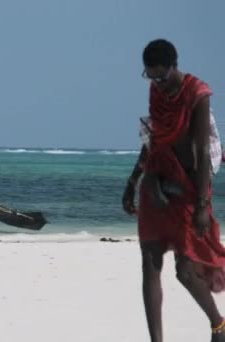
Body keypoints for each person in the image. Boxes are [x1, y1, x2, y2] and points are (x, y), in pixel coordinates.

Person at [122, 39, 225, 342]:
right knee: (150, 264)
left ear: (174, 66)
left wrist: (204, 203)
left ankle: (218, 324)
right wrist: (132, 182)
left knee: (185, 270)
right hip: (157, 177)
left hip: (190, 185)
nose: (157, 83)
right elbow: (153, 140)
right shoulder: (156, 92)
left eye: (161, 76)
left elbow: (203, 151)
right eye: (150, 77)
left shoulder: (197, 93)